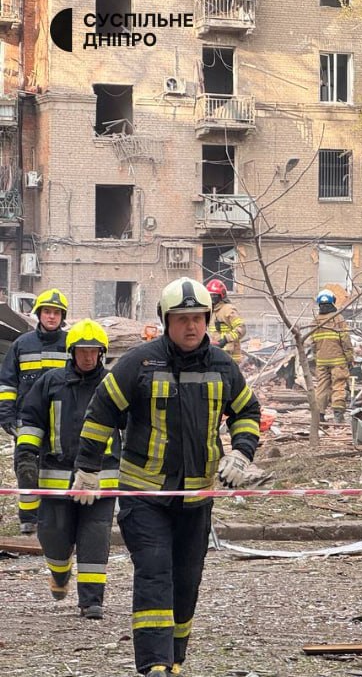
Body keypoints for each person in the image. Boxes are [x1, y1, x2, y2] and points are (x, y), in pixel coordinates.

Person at [74, 277, 261, 677]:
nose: (191, 326)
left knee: (186, 582)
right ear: (166, 321)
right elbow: (101, 412)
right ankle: (154, 665)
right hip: (144, 497)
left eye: (198, 318)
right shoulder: (139, 363)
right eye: (181, 319)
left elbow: (247, 411)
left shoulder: (223, 366)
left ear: (207, 319)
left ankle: (174, 659)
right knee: (155, 573)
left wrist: (242, 452)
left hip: (196, 499)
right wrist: (87, 469)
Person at [14, 319, 120, 618]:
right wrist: (26, 455)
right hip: (56, 477)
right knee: (54, 536)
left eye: (93, 351)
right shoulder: (51, 382)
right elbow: (32, 420)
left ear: (101, 353)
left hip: (101, 479)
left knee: (95, 538)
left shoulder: (112, 385)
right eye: (82, 350)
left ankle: (91, 601)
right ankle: (60, 573)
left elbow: (133, 425)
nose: (88, 356)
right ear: (71, 352)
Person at [0, 288, 70, 534]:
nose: (51, 316)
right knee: (26, 468)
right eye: (47, 312)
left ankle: (56, 520)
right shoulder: (22, 344)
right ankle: (28, 521)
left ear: (62, 317)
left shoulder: (71, 344)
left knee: (58, 469)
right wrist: (6, 415)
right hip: (27, 421)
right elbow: (7, 383)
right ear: (39, 314)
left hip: (61, 421)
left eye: (56, 313)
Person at [312, 289, 353, 422]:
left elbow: (312, 343)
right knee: (339, 385)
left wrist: (317, 358)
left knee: (321, 387)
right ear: (333, 302)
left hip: (321, 361)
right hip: (338, 361)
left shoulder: (315, 321)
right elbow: (345, 340)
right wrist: (349, 357)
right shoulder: (338, 319)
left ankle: (319, 415)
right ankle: (338, 415)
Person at [205, 279, 246, 364]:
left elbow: (241, 329)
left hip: (230, 356)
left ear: (221, 295)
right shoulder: (212, 311)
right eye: (210, 295)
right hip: (218, 354)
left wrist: (225, 339)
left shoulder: (228, 309)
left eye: (214, 295)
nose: (211, 298)